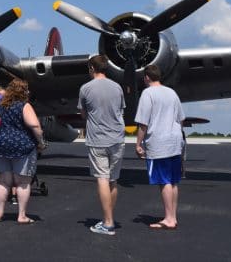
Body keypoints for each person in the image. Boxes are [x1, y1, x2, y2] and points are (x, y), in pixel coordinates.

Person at [78, 55, 125, 235]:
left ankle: (108, 222)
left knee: (102, 179)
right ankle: (108, 218)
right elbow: (121, 110)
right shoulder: (117, 87)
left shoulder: (85, 88)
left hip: (97, 139)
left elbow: (83, 115)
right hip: (117, 139)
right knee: (113, 180)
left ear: (92, 68)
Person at [135, 64, 185, 230]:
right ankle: (173, 216)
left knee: (164, 181)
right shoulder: (172, 92)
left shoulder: (147, 93)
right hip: (175, 141)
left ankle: (169, 219)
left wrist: (138, 143)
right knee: (173, 180)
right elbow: (181, 118)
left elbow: (143, 122)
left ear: (147, 77)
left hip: (159, 143)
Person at [0, 79, 45, 224]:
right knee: (23, 183)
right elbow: (34, 125)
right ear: (22, 92)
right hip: (22, 146)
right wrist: (41, 142)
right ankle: (21, 216)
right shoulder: (24, 105)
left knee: (3, 182)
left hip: (0, 145)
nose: (28, 92)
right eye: (26, 90)